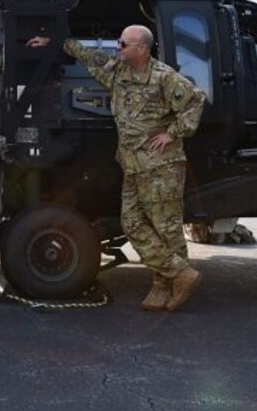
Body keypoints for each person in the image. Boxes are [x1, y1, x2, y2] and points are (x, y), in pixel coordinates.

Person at [28, 25, 206, 311]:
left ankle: (165, 287)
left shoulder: (163, 76)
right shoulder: (119, 74)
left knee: (166, 229)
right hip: (132, 165)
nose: (118, 48)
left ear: (142, 48)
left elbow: (195, 100)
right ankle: (179, 274)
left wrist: (173, 132)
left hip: (161, 166)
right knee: (133, 224)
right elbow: (90, 57)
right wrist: (55, 41)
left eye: (123, 44)